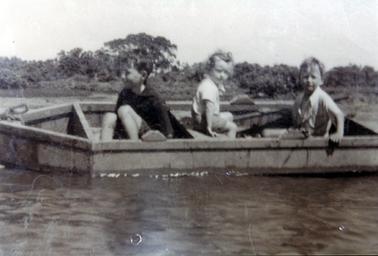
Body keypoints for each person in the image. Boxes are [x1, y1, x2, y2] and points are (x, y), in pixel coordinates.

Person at [101, 59, 191, 141]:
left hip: (149, 135)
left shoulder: (154, 98)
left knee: (124, 110)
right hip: (127, 131)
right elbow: (118, 119)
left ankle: (133, 149)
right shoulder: (124, 93)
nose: (123, 77)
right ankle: (104, 151)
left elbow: (168, 131)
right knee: (110, 116)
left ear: (143, 75)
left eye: (128, 73)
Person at [292, 57, 344, 142]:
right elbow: (295, 120)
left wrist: (339, 133)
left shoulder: (322, 97)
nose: (309, 80)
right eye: (305, 77)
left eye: (313, 77)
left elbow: (339, 115)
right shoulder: (299, 99)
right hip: (304, 139)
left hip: (320, 143)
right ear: (300, 79)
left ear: (321, 80)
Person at [191, 50, 238, 138]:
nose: (222, 75)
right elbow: (209, 107)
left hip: (202, 117)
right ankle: (229, 147)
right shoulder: (209, 87)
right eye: (219, 71)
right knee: (233, 127)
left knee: (229, 116)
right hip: (204, 119)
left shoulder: (209, 83)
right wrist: (209, 127)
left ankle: (222, 136)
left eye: (225, 73)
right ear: (209, 69)